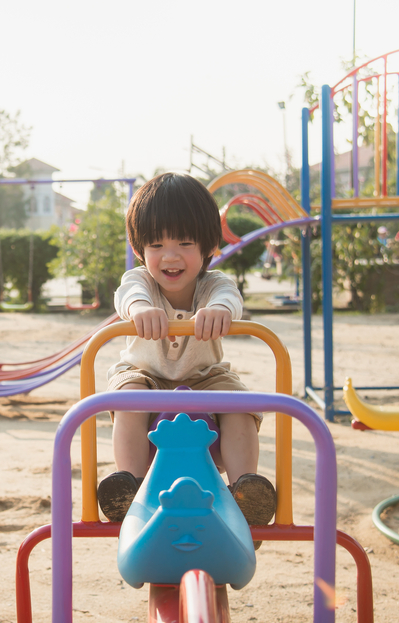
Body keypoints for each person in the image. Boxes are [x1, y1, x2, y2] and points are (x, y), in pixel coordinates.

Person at [97, 172, 276, 545]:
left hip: (204, 377)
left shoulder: (214, 285)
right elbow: (127, 294)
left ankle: (246, 493)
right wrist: (141, 309)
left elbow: (231, 299)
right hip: (145, 374)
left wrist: (219, 311)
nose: (171, 255)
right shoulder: (141, 282)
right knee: (127, 395)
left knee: (240, 404)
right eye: (157, 244)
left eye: (185, 242)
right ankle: (128, 487)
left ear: (208, 245)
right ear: (140, 247)